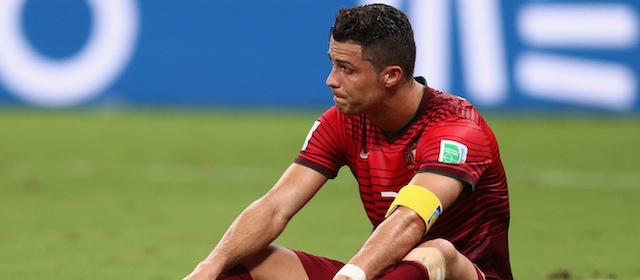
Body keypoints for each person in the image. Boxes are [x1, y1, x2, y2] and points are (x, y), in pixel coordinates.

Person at [184, 3, 512, 280]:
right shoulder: (343, 122)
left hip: (459, 273)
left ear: (392, 76)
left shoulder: (456, 129)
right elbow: (274, 207)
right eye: (332, 63)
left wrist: (352, 274)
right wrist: (208, 266)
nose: (331, 80)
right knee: (246, 258)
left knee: (436, 250)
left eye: (346, 69)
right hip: (383, 272)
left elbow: (411, 218)